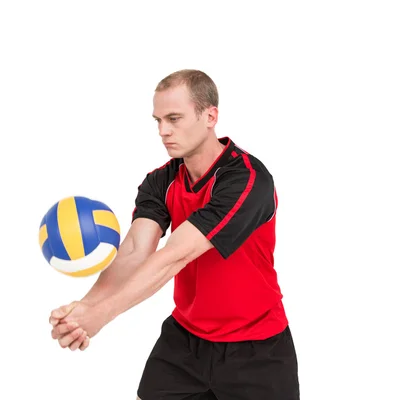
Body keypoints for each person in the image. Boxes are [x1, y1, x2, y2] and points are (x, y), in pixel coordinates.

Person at [49, 69, 300, 399]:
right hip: (184, 344)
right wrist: (83, 310)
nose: (163, 131)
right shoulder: (161, 181)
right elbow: (136, 251)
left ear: (210, 116)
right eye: (158, 120)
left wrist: (101, 316)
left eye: (174, 118)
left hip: (256, 349)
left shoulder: (247, 180)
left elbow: (175, 256)